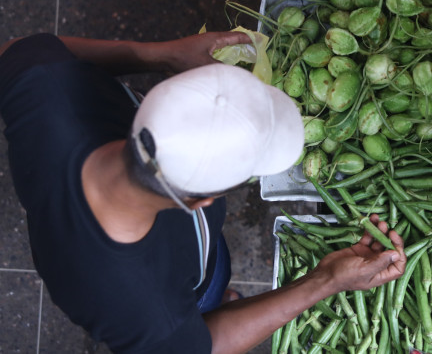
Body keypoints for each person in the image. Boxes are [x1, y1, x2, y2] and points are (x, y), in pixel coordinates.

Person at [0, 32, 407, 353]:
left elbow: (20, 50)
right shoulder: (143, 309)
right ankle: (216, 297)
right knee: (209, 296)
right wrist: (325, 281)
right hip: (178, 292)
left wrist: (162, 53)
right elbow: (206, 344)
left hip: (63, 227)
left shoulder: (45, 89)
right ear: (200, 203)